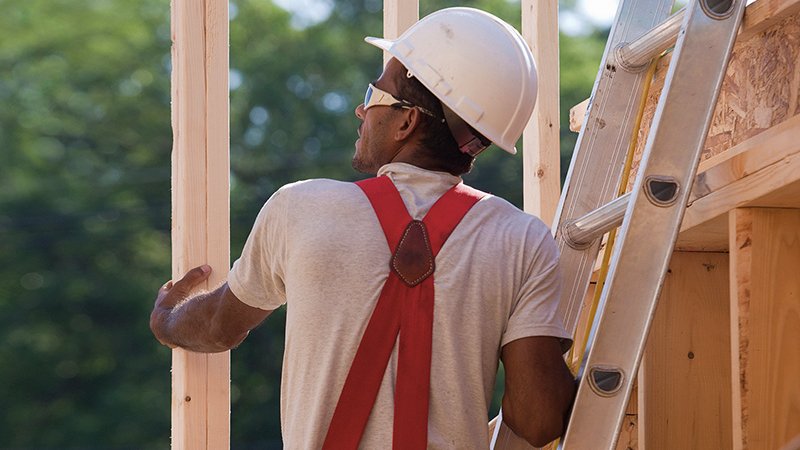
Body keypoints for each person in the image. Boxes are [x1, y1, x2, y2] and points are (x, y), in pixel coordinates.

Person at [150, 7, 576, 449]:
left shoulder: (301, 208)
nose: (361, 108)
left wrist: (167, 319)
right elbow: (540, 419)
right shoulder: (521, 239)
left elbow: (221, 325)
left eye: (375, 92)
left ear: (407, 121)